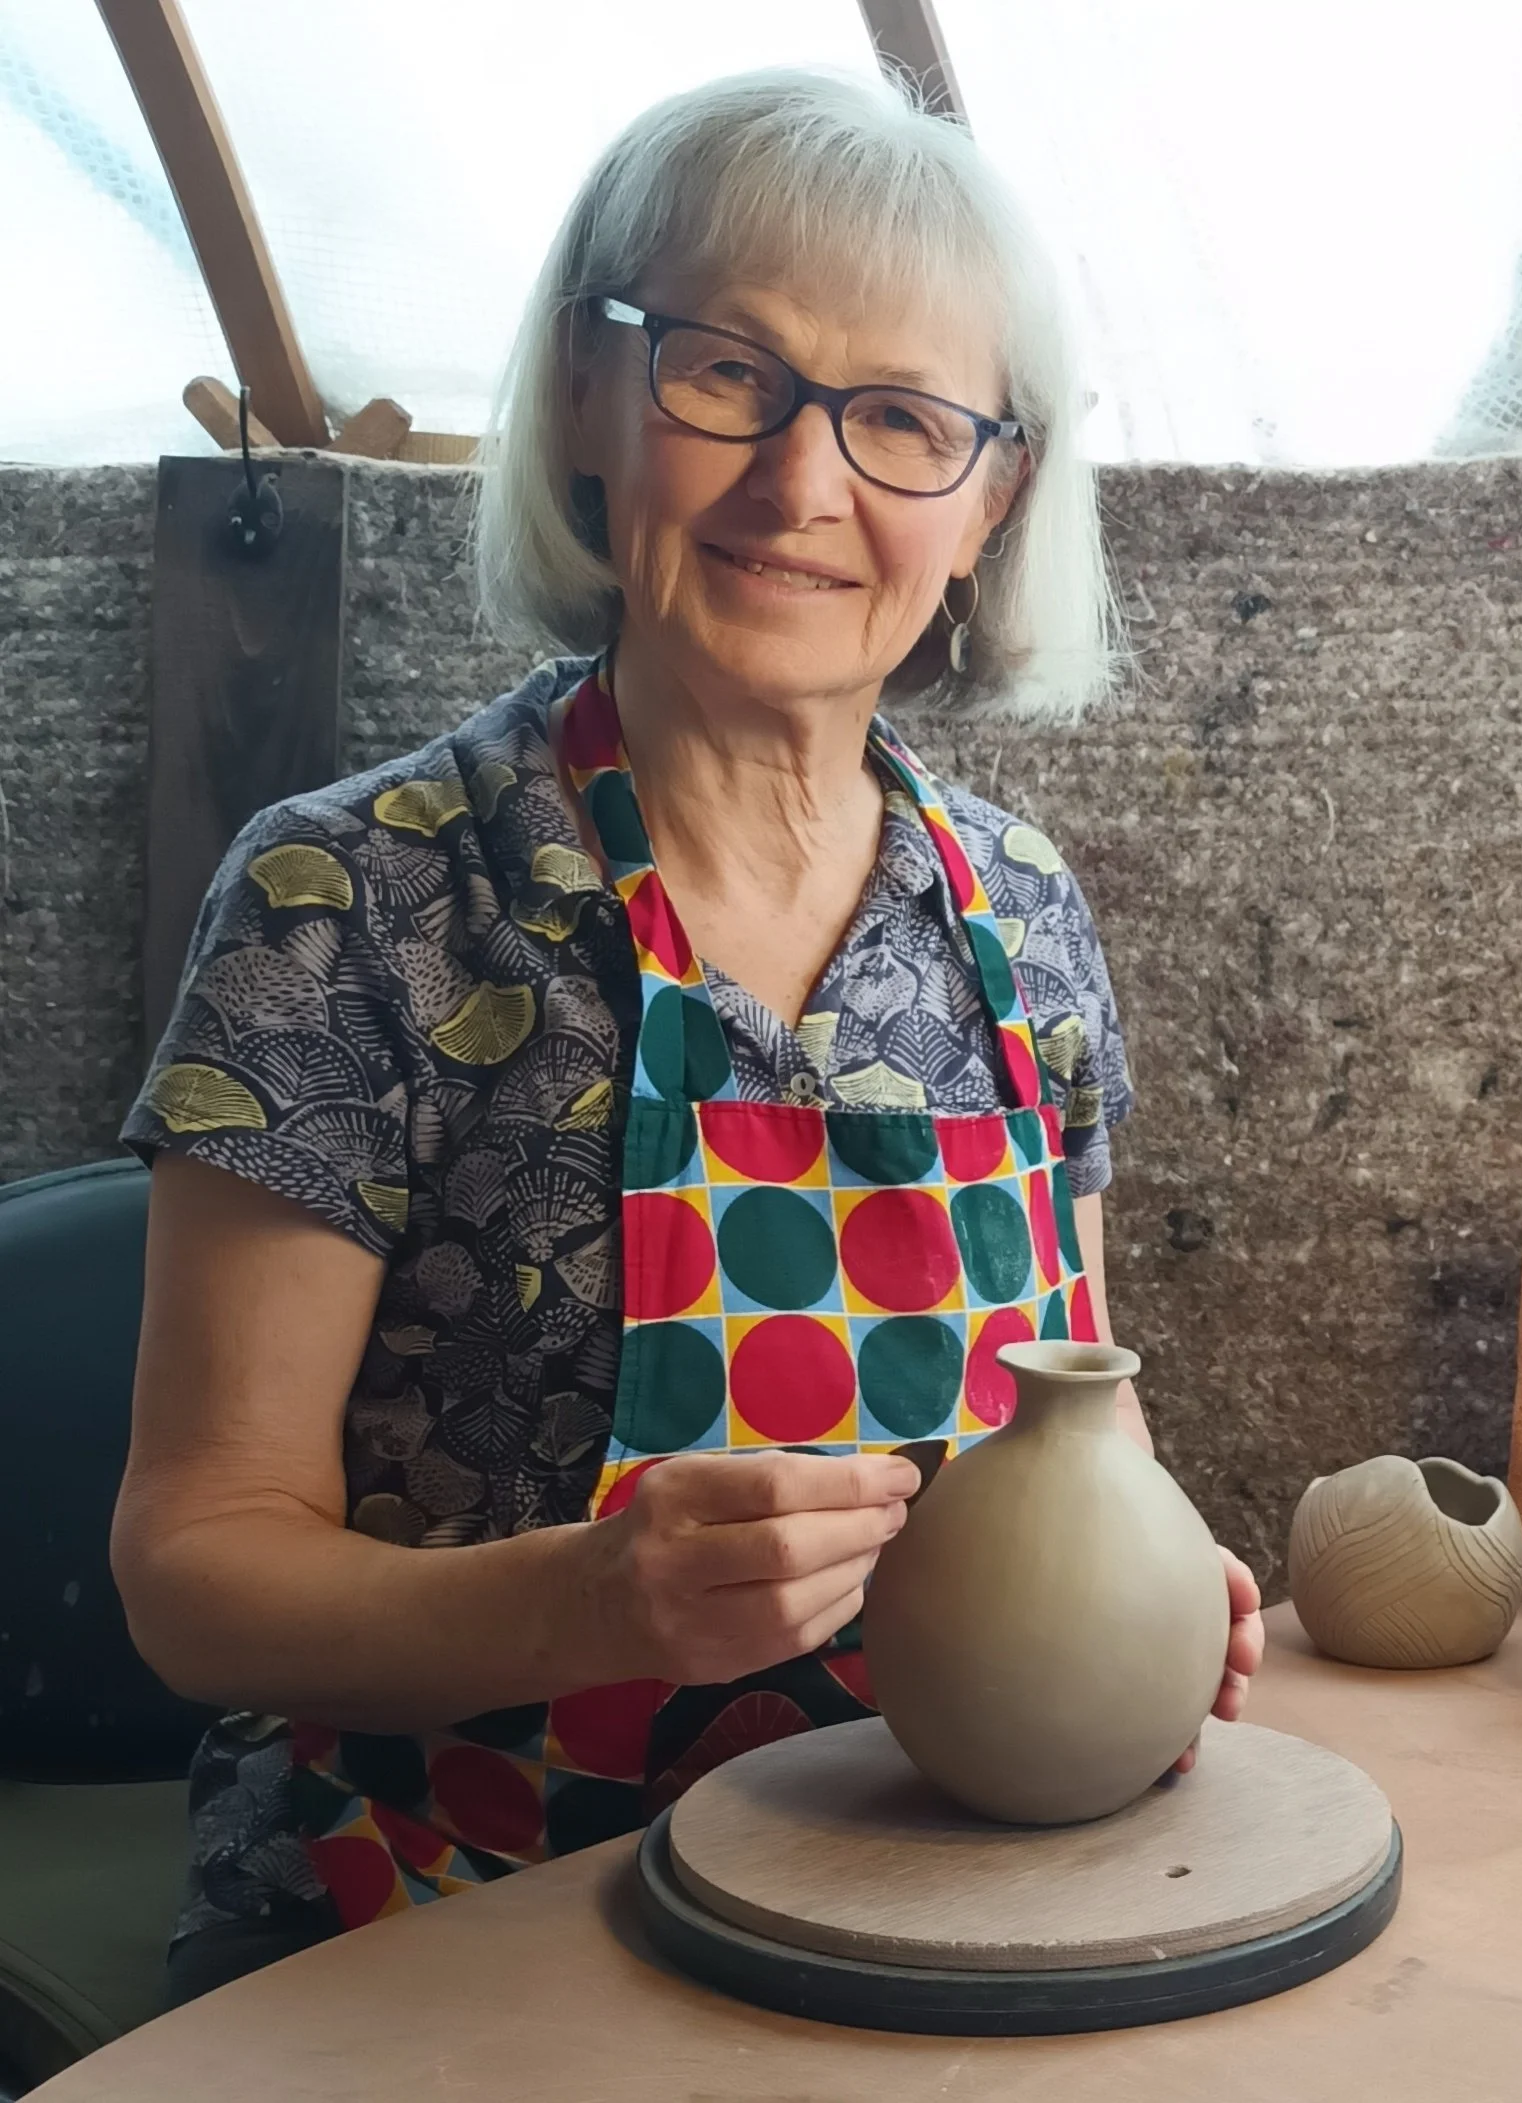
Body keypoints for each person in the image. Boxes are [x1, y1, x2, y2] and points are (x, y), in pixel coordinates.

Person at [112, 67, 1264, 2000]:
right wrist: (587, 1597)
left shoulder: (1025, 917)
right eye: (727, 374)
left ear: (989, 498)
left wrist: (1143, 1576)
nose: (801, 489)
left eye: (903, 421)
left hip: (926, 1887)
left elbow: (1080, 1407)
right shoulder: (353, 902)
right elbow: (194, 1571)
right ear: (586, 393)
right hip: (446, 1905)